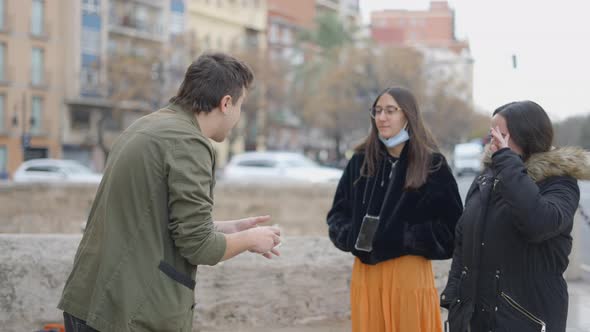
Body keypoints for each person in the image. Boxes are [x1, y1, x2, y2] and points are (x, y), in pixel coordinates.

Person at [58, 53, 282, 332]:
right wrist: (250, 239)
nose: (238, 116)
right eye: (240, 106)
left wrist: (229, 229)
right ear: (226, 103)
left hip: (91, 303)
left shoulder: (148, 126)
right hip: (126, 313)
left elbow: (151, 220)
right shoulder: (188, 143)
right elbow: (199, 246)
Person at [441, 101, 590, 332]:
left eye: (501, 134)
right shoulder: (486, 179)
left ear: (526, 136)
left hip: (526, 319)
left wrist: (507, 161)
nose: (493, 141)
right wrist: (453, 300)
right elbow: (463, 245)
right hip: (474, 320)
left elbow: (538, 223)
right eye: (492, 133)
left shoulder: (560, 182)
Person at [327, 86, 463, 332]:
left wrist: (403, 238)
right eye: (377, 111)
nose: (382, 117)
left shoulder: (432, 164)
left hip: (408, 273)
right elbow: (337, 214)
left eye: (390, 111)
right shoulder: (360, 161)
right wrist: (353, 236)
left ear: (407, 115)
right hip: (366, 274)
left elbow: (452, 230)